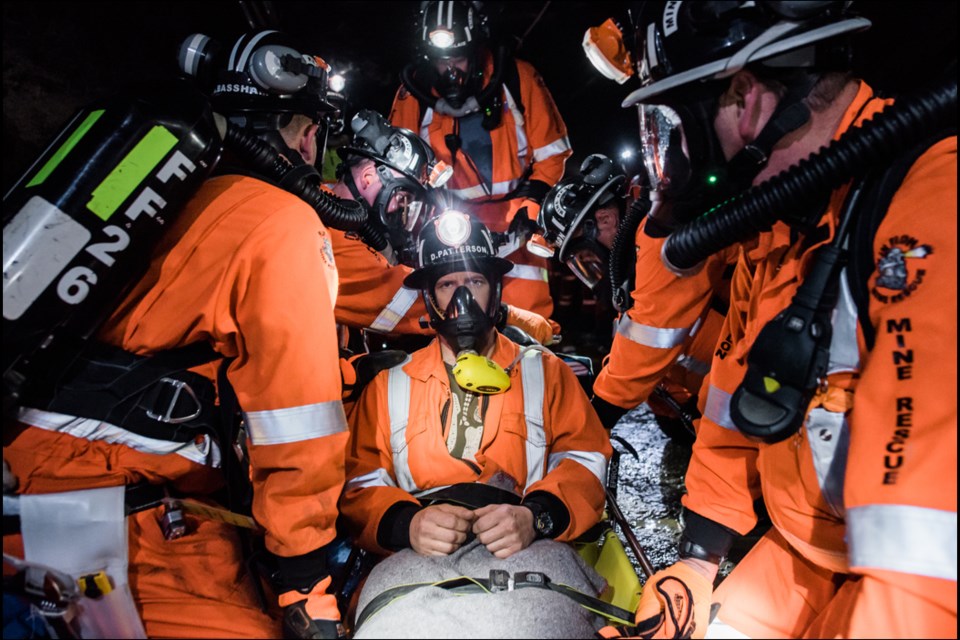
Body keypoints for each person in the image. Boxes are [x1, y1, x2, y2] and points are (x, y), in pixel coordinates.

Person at [596, 2, 957, 638]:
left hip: (909, 591)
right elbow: (735, 397)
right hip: (807, 557)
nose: (674, 156)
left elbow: (926, 564)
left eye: (679, 124)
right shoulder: (781, 226)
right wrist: (698, 562)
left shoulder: (932, 198)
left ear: (747, 96)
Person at [3, 30, 355, 639]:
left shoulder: (155, 192)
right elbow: (298, 426)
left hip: (20, 487)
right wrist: (305, 582)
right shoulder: (279, 223)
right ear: (302, 133)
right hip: (128, 525)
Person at [338, 210, 613, 637]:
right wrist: (406, 524)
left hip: (530, 550)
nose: (462, 298)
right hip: (414, 559)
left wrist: (535, 517)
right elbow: (359, 483)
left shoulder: (545, 371)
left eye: (475, 282)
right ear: (428, 297)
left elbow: (586, 459)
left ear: (496, 290)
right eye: (447, 285)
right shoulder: (388, 384)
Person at [389, 0, 572, 320]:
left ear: (475, 50)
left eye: (457, 59)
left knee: (528, 323)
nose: (450, 71)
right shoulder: (413, 94)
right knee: (452, 322)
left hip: (516, 229)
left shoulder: (518, 78)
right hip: (447, 229)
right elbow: (398, 167)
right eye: (441, 62)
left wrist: (530, 209)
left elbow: (553, 153)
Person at [537, 153, 733, 444]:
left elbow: (649, 341)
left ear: (605, 219)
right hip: (738, 381)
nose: (590, 266)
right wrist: (678, 412)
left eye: (584, 254)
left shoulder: (659, 234)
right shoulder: (634, 263)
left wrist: (598, 412)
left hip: (768, 370)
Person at [328, 109, 554, 347]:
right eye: (402, 197)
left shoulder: (346, 229)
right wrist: (501, 313)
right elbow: (393, 298)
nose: (400, 211)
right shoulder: (326, 228)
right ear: (367, 178)